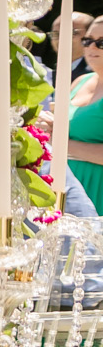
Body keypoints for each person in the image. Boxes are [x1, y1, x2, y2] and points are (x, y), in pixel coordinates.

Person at [62, 17, 103, 207]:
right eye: (87, 41)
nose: (92, 48)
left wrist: (62, 145)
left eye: (101, 42)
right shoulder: (80, 81)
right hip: (70, 187)